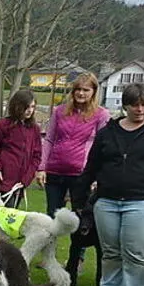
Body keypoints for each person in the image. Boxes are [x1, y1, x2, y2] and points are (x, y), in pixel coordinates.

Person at [80, 82, 144, 286]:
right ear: (125, 106)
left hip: (139, 202)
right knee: (110, 253)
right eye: (134, 105)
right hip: (106, 201)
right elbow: (91, 166)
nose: (140, 109)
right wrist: (81, 197)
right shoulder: (107, 133)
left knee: (136, 254)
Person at [43, 72, 110, 273]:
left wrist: (96, 176)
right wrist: (41, 167)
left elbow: (103, 147)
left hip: (82, 175)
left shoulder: (101, 115)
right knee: (52, 218)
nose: (81, 93)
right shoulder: (59, 111)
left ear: (93, 92)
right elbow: (49, 139)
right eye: (77, 89)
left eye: (85, 90)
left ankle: (76, 261)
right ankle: (49, 258)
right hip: (55, 170)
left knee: (82, 219)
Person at [0, 89, 43, 209]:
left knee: (12, 220)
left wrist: (27, 178)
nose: (30, 110)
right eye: (26, 107)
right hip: (3, 182)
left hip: (20, 185)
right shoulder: (4, 125)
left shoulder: (34, 129)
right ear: (17, 106)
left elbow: (37, 156)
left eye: (32, 106)